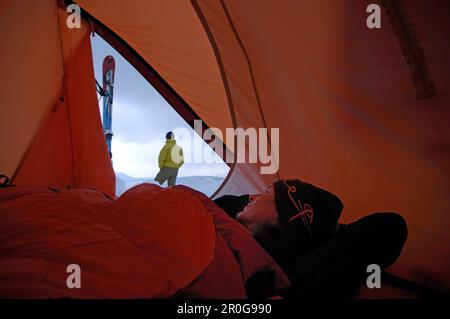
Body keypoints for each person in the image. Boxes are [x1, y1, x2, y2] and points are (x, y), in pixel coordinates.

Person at [214, 179, 408, 298]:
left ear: (290, 215)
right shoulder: (219, 216)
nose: (251, 197)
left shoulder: (278, 278)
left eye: (267, 192)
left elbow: (387, 227)